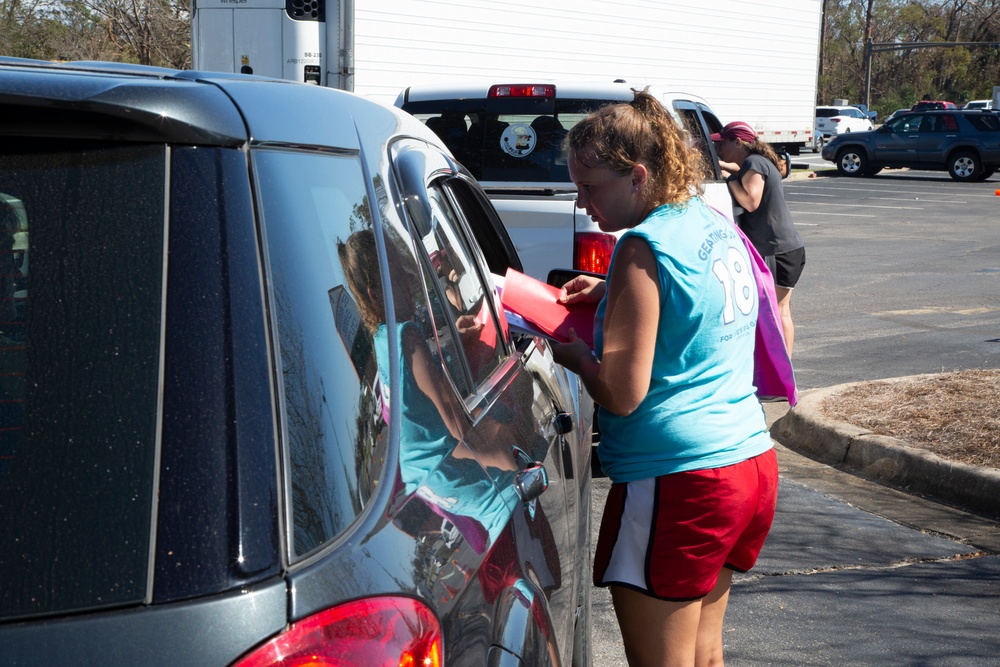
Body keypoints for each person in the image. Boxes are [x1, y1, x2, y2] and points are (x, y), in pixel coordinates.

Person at [551, 90, 778, 667]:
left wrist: (573, 354)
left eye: (591, 188)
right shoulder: (706, 218)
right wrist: (612, 294)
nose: (584, 204)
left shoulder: (640, 247)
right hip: (748, 462)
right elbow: (694, 300)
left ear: (638, 175)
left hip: (679, 478)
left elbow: (622, 395)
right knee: (703, 653)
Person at [713, 120, 805, 358]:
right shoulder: (758, 162)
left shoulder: (754, 162)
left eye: (722, 144)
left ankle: (783, 376)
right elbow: (743, 174)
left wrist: (728, 178)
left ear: (738, 142)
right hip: (786, 248)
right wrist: (722, 166)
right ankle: (783, 375)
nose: (720, 149)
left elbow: (751, 201)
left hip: (776, 249)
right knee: (780, 310)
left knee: (778, 310)